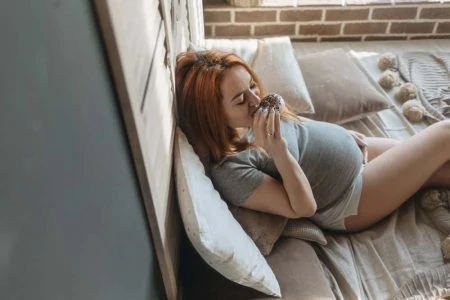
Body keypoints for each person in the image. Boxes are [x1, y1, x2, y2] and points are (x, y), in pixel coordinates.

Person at [175, 49, 450, 232]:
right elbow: (304, 208)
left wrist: (341, 135)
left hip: (358, 151)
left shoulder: (253, 114)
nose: (255, 99)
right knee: (443, 134)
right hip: (352, 196)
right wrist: (279, 152)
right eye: (240, 99)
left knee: (441, 167)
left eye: (252, 85)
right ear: (211, 113)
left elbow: (296, 123)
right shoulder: (231, 171)